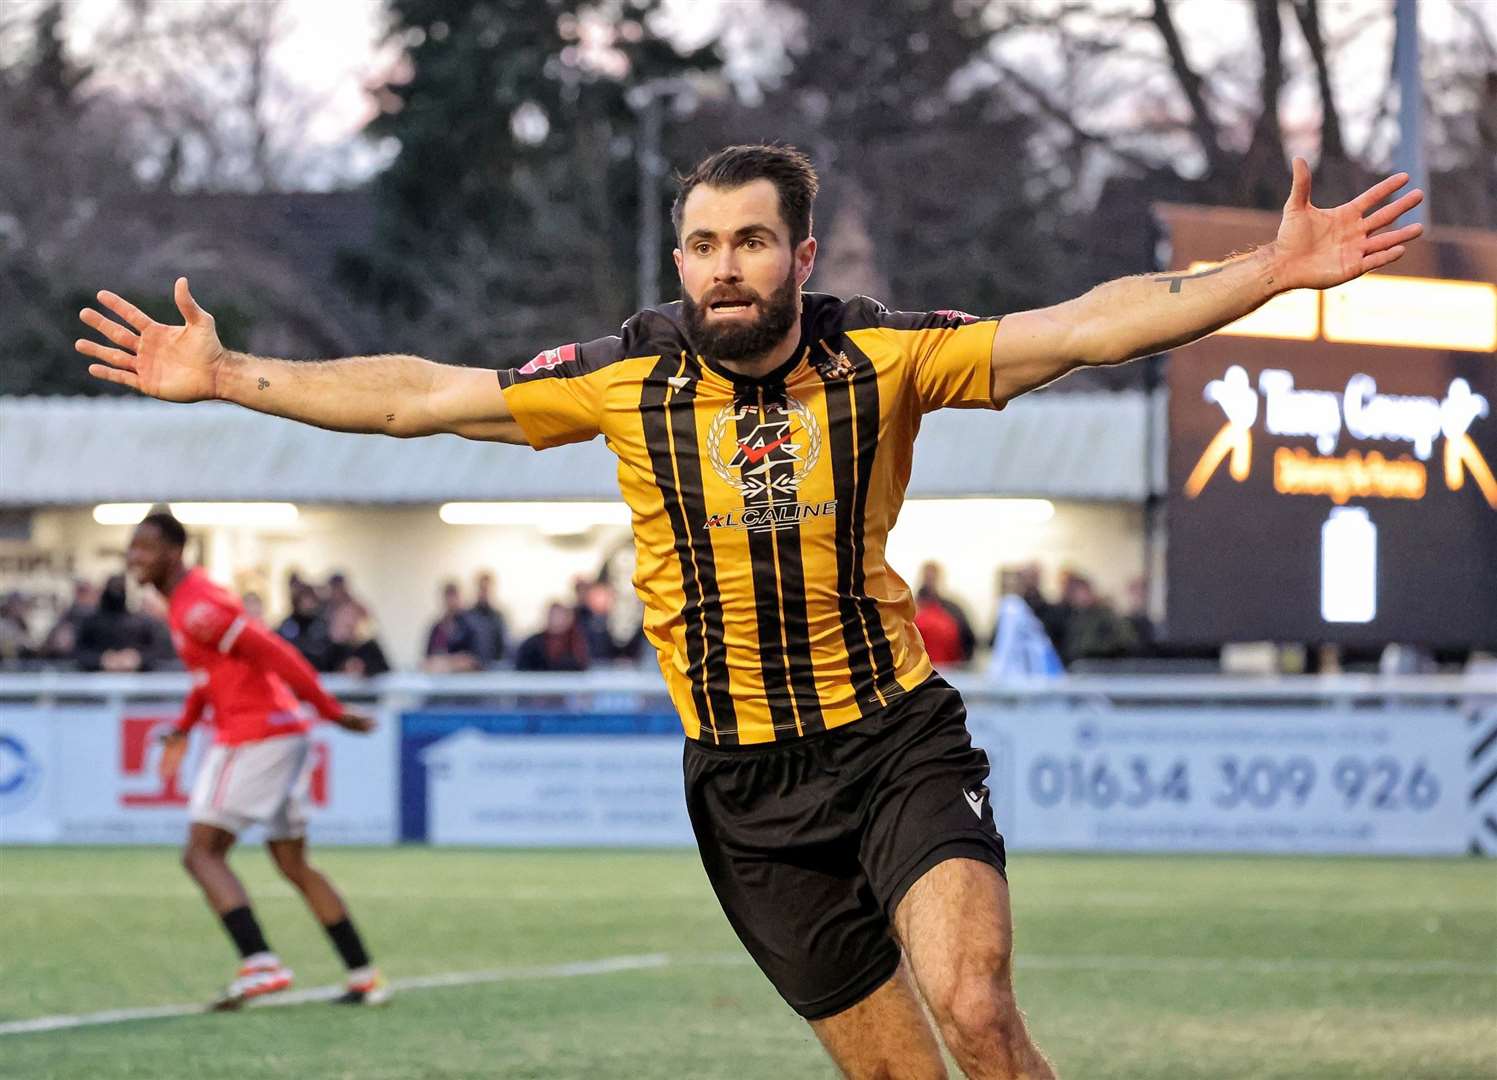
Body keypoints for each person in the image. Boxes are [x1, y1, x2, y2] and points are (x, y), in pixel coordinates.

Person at [79, 142, 1422, 1077]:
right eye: (704, 244)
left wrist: (1265, 273)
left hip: (895, 743)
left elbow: (1083, 324)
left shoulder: (884, 359)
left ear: (799, 254)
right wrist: (230, 371)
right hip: (744, 792)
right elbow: (415, 394)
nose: (725, 266)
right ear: (681, 256)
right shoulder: (622, 379)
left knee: (974, 1005)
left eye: (752, 242)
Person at [124, 511, 388, 1010]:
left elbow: (275, 651)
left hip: (256, 736)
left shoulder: (199, 606)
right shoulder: (183, 604)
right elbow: (209, 678)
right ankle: (364, 974)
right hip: (281, 734)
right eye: (131, 548)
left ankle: (260, 964)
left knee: (201, 853)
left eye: (145, 547)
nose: (135, 557)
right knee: (292, 862)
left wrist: (329, 709)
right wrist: (183, 726)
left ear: (174, 552)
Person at [514, 601, 591, 672]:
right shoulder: (532, 644)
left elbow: (581, 666)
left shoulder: (577, 644)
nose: (556, 620)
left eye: (560, 616)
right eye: (554, 615)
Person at [423, 581, 481, 673]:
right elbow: (427, 659)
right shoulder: (437, 627)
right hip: (439, 683)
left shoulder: (472, 626)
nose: (451, 601)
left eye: (454, 596)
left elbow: (476, 660)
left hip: (466, 682)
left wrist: (448, 663)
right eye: (448, 596)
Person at [465, 570, 508, 667]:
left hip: (493, 670)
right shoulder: (466, 617)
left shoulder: (499, 617)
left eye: (488, 589)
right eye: (482, 588)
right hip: (470, 671)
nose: (485, 592)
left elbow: (504, 647)